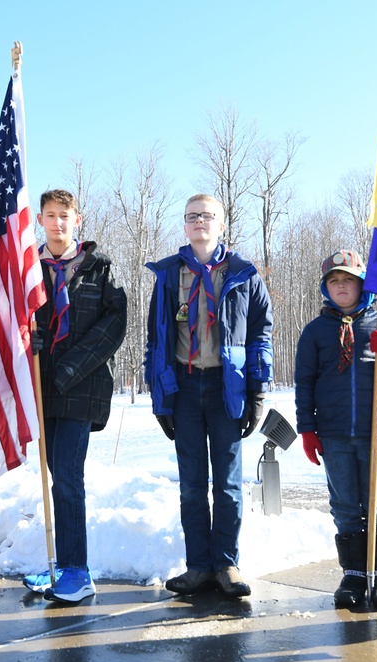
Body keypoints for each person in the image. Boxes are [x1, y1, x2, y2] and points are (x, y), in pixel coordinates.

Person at [145, 193, 273, 598]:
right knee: (191, 484)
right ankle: (198, 566)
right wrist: (160, 399)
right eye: (192, 216)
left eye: (207, 216)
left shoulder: (244, 274)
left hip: (226, 388)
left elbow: (261, 335)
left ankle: (227, 564)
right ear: (184, 226)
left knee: (229, 484)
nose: (200, 222)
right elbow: (157, 339)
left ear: (222, 224)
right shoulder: (169, 275)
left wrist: (258, 391)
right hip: (184, 388)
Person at [294, 249, 377, 610]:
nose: (341, 286)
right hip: (333, 433)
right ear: (325, 288)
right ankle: (353, 575)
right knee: (346, 505)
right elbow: (304, 382)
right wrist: (308, 429)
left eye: (348, 279)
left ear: (363, 284)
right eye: (334, 281)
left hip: (376, 429)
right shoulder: (315, 331)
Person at [22, 189, 127, 603]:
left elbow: (113, 326)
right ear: (41, 221)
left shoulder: (99, 268)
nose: (57, 223)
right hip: (42, 386)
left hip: (80, 386)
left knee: (68, 476)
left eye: (64, 215)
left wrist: (69, 367)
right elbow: (22, 321)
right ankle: (58, 564)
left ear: (76, 219)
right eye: (50, 215)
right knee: (55, 477)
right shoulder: (30, 270)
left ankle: (78, 571)